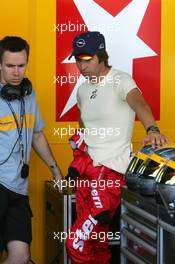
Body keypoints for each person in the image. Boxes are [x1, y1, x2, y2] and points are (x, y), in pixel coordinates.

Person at [65, 31, 168, 264]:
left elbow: (139, 103)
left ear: (101, 55)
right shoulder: (82, 89)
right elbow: (84, 123)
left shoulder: (120, 80)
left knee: (76, 242)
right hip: (86, 175)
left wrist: (152, 129)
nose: (82, 66)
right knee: (96, 242)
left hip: (110, 174)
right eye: (78, 60)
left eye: (87, 59)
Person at [0, 36, 62, 264]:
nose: (16, 72)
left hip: (18, 189)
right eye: (10, 66)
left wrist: (55, 170)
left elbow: (36, 134)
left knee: (21, 256)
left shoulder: (28, 92)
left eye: (21, 65)